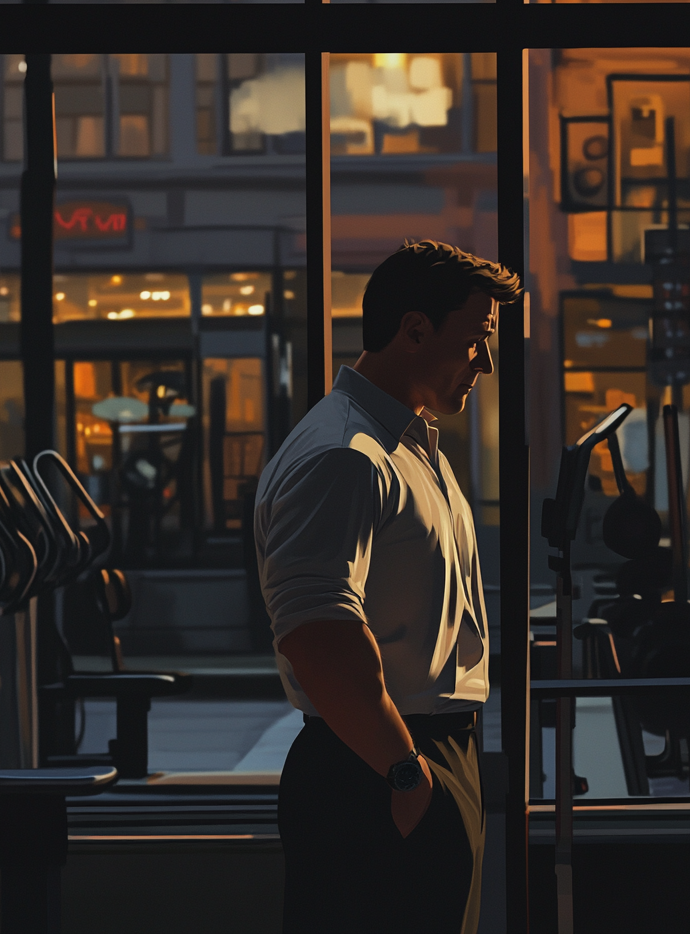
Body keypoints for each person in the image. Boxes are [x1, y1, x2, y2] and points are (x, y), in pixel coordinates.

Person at [254, 240, 522, 934]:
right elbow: (318, 635)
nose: (485, 364)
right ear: (414, 331)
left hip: (411, 758)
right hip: (376, 769)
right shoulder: (346, 456)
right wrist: (405, 775)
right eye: (476, 341)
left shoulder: (406, 446)